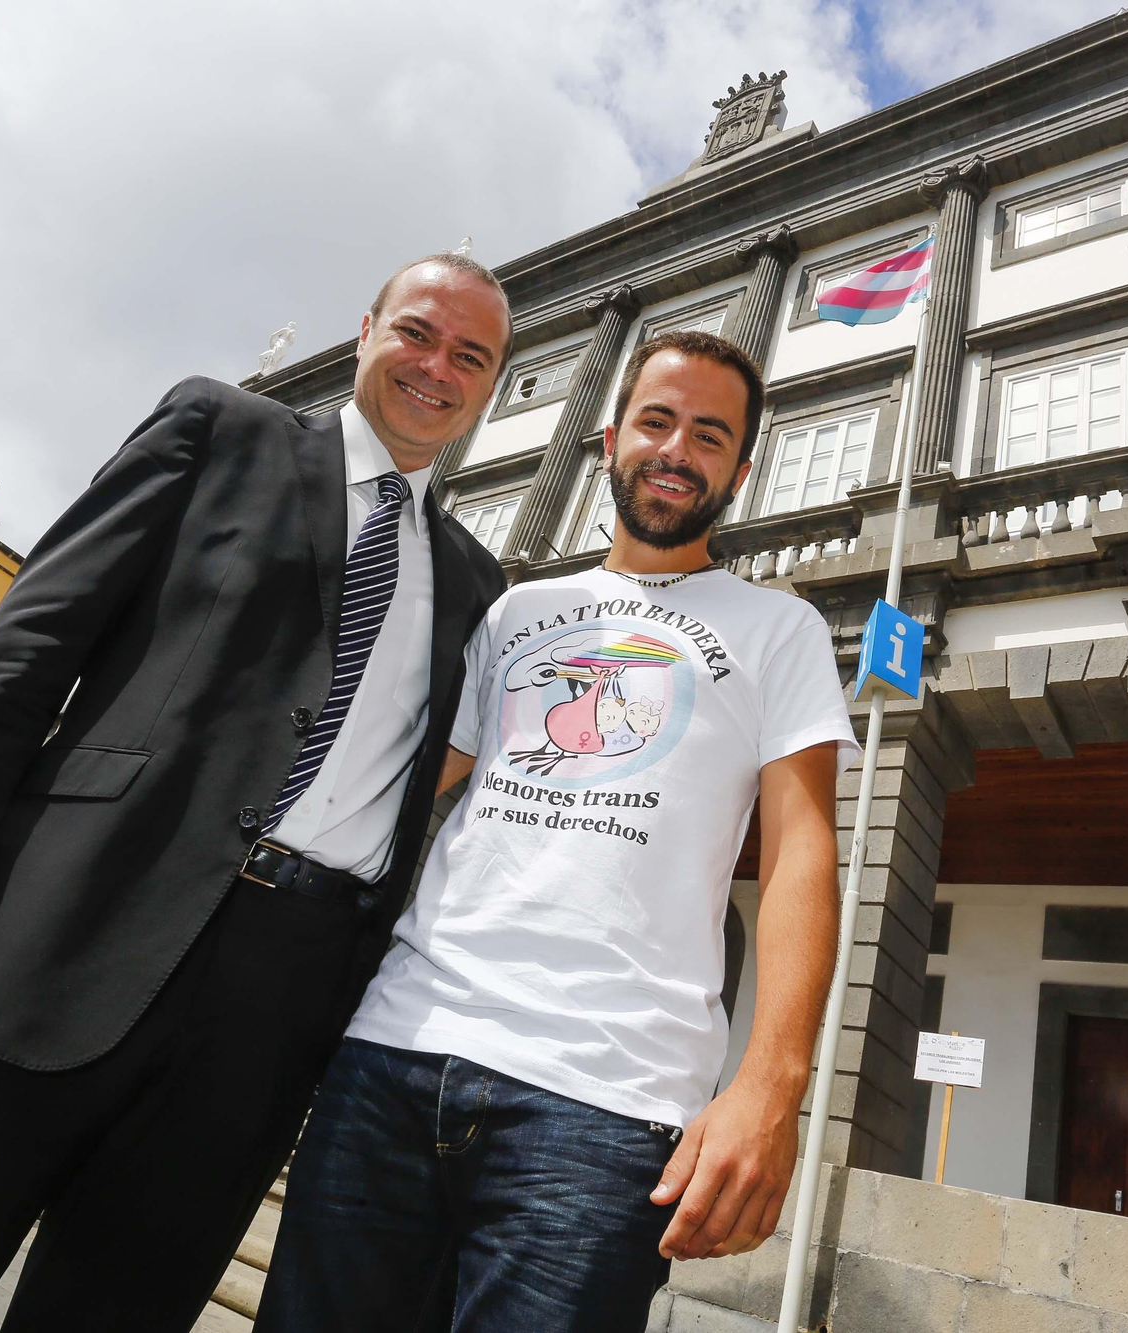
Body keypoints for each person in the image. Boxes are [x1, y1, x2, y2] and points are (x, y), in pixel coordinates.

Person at [0, 253, 513, 1333]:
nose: (438, 368)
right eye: (419, 333)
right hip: (62, 931)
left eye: (470, 357)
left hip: (274, 1005)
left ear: (491, 382)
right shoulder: (220, 431)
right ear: (369, 327)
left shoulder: (478, 583)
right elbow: (25, 650)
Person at [259, 329, 859, 1333]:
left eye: (709, 435)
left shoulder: (777, 627)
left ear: (740, 470)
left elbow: (803, 851)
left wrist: (771, 1085)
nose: (677, 449)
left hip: (605, 1103)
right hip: (391, 1055)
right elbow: (395, 792)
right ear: (612, 437)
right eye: (657, 421)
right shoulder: (511, 614)